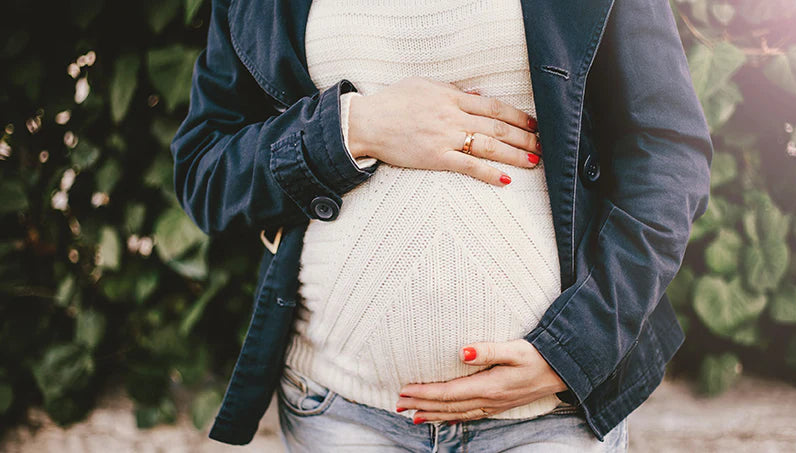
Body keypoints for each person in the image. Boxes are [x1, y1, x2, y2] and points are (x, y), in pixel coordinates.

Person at [170, 0, 713, 451]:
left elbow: (667, 154)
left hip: (552, 419)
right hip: (342, 414)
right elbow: (207, 172)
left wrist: (578, 349)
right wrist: (354, 128)